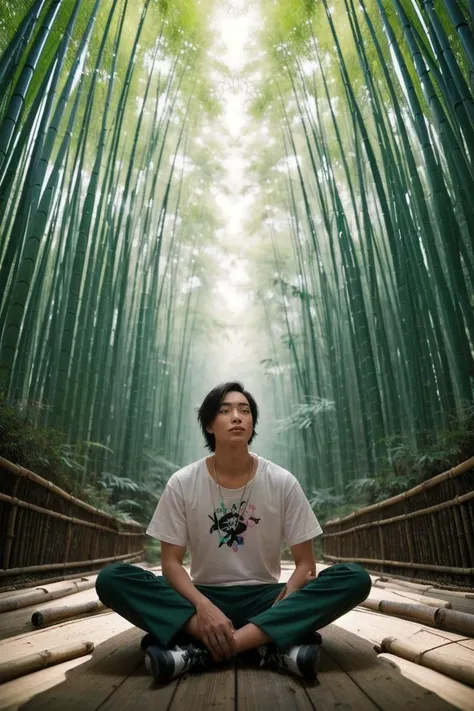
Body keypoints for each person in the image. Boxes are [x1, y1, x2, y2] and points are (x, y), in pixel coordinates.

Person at [96, 381, 371, 684]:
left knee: (354, 578)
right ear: (210, 425)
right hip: (202, 598)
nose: (237, 416)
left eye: (245, 410)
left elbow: (306, 564)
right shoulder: (183, 482)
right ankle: (269, 644)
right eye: (225, 411)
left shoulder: (282, 481)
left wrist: (288, 598)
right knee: (112, 579)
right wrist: (203, 606)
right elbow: (171, 563)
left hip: (266, 597)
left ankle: (203, 651)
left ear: (252, 423)